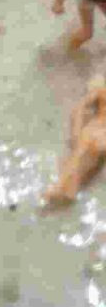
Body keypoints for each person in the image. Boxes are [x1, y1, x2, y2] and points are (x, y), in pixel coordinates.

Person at [44, 75, 106, 210]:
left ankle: (63, 189)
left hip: (96, 132)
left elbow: (80, 108)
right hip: (96, 132)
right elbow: (80, 108)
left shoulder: (99, 86)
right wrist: (76, 132)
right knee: (83, 157)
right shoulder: (100, 86)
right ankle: (66, 189)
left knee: (82, 155)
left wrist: (76, 132)